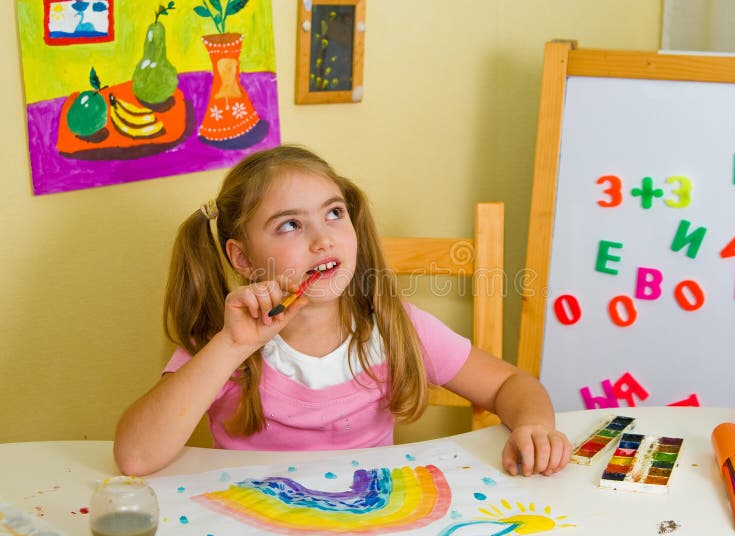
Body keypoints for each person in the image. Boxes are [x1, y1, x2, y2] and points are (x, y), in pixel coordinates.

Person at [113, 145, 571, 477]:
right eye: (291, 224)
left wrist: (534, 425)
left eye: (334, 214)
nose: (323, 238)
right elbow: (135, 457)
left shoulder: (391, 328)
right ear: (243, 259)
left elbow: (513, 383)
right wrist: (231, 346)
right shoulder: (227, 340)